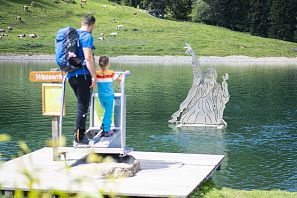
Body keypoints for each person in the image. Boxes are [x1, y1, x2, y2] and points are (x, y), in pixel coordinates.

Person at [68, 15, 97, 143]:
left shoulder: (72, 36)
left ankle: (79, 135)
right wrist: (94, 76)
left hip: (70, 75)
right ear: (91, 25)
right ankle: (79, 138)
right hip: (83, 76)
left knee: (81, 105)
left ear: (81, 23)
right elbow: (88, 57)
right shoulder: (87, 36)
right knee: (83, 106)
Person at [96, 56, 121, 137]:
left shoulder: (96, 74)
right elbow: (119, 79)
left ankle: (103, 124)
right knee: (108, 113)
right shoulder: (111, 73)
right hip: (109, 96)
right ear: (108, 64)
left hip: (101, 96)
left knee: (106, 111)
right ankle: (106, 130)